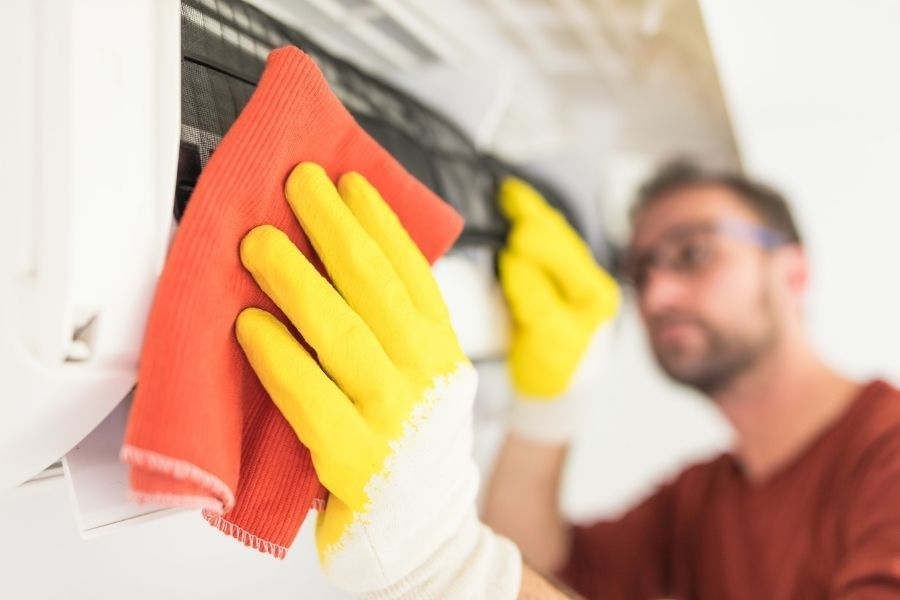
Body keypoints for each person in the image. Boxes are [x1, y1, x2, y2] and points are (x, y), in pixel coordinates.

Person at [484, 161, 900, 599]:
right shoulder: (699, 503)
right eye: (640, 274)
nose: (656, 295)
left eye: (693, 253)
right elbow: (531, 566)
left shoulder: (887, 452)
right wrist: (551, 403)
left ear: (793, 273)